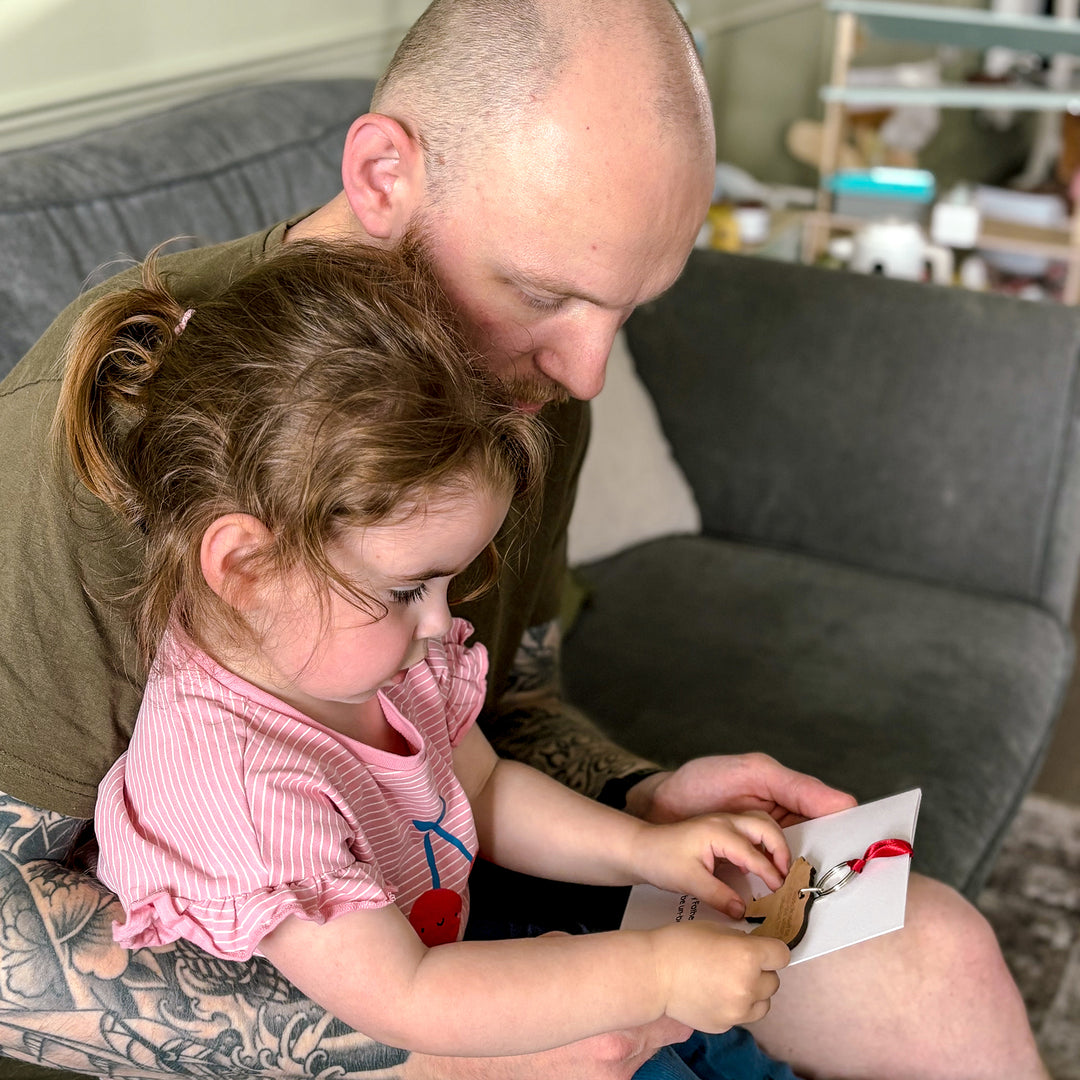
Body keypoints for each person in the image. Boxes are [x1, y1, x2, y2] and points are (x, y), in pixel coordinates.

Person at [0, 0, 1049, 1077]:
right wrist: (446, 1057)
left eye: (626, 311)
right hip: (287, 1007)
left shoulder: (517, 386)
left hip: (445, 901)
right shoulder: (130, 427)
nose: (584, 375)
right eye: (544, 292)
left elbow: (503, 710)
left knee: (937, 955)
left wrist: (642, 803)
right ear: (382, 175)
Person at [61, 236, 797, 1077]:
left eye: (447, 583)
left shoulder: (361, 655)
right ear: (247, 568)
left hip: (456, 951)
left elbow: (481, 789)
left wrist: (644, 849)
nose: (442, 623)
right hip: (400, 1030)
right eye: (409, 588)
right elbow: (405, 998)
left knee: (713, 1031)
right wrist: (654, 973)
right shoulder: (239, 785)